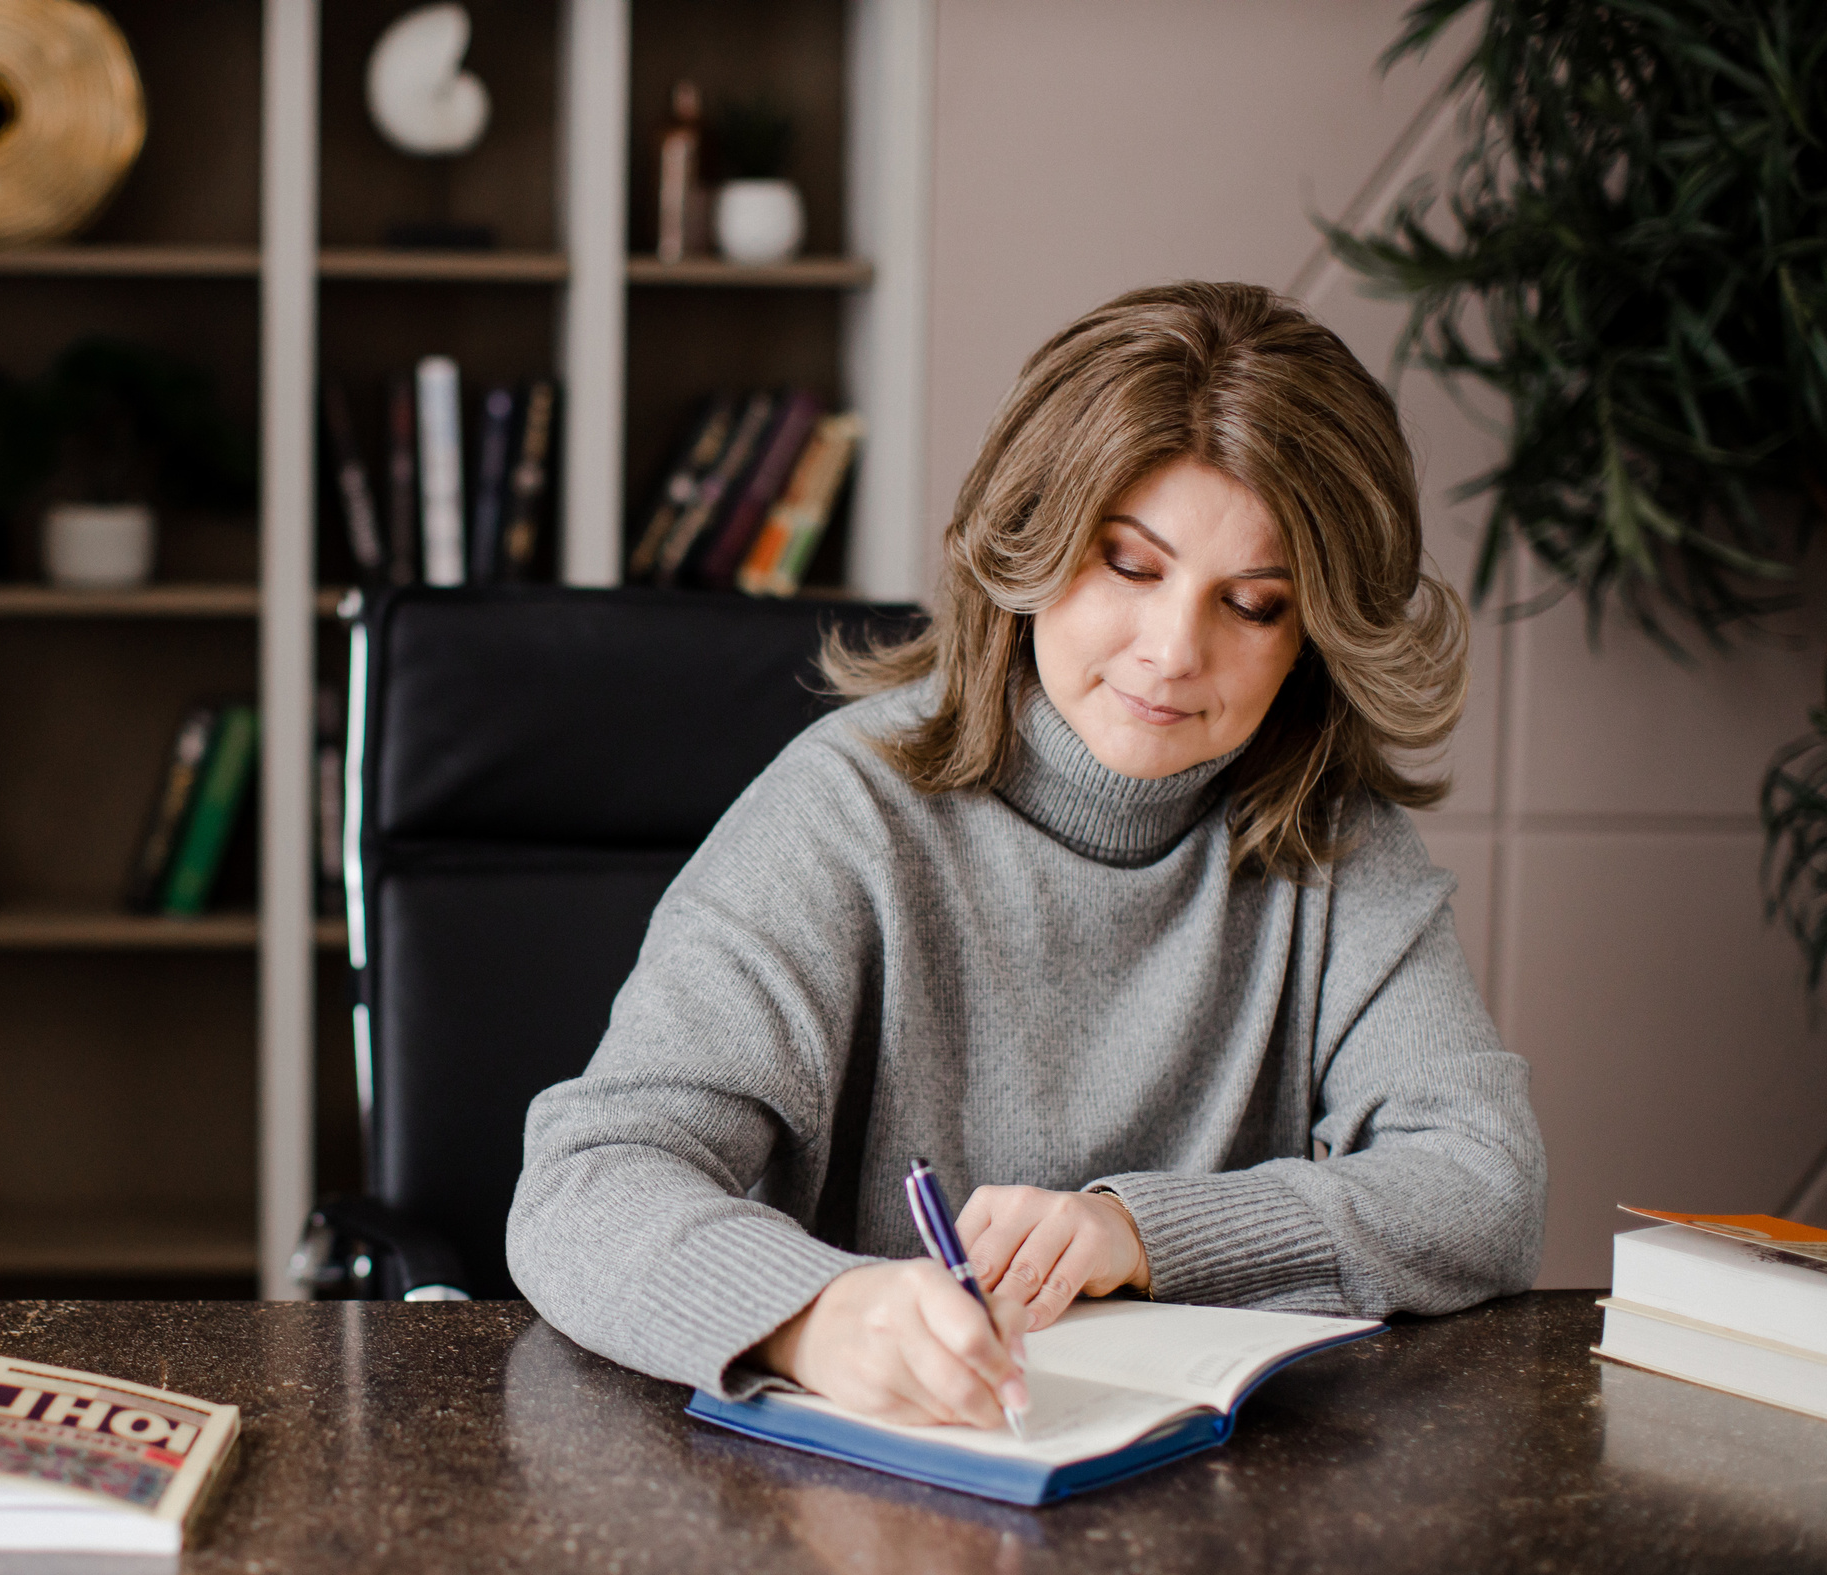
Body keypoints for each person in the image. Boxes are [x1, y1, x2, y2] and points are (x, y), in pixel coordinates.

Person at [505, 282, 1546, 1431]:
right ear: (1034, 542)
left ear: (1311, 642)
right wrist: (818, 1316)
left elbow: (1484, 1186)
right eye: (1130, 568)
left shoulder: (1337, 842)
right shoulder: (845, 810)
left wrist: (1138, 1232)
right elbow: (583, 1186)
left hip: (1221, 1519)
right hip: (877, 1504)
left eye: (1251, 606)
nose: (1171, 652)